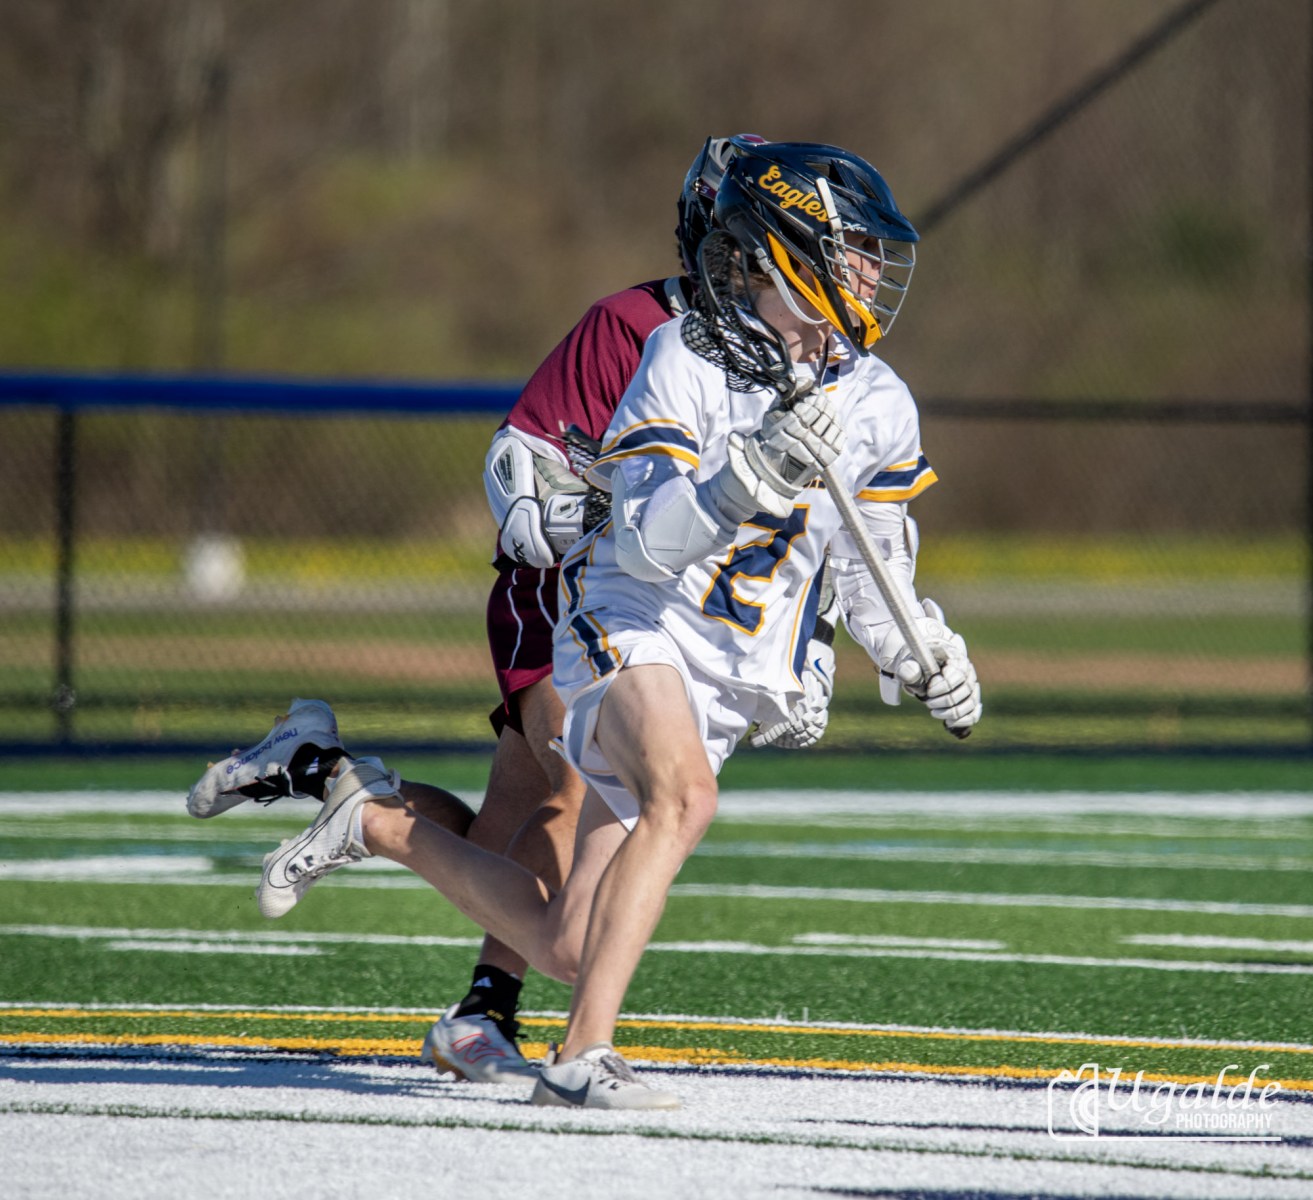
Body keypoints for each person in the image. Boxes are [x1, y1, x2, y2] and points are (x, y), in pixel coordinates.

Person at [236, 141, 982, 1111]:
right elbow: (641, 541)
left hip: (726, 673)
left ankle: (373, 822)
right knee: (684, 796)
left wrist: (923, 655)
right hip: (629, 621)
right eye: (854, 252)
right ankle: (582, 1058)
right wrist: (745, 477)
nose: (873, 274)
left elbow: (871, 567)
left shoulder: (876, 399)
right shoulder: (682, 356)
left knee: (567, 941)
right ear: (785, 252)